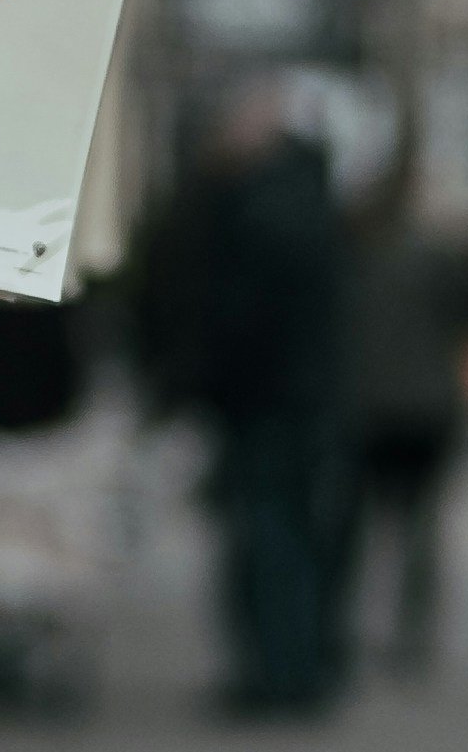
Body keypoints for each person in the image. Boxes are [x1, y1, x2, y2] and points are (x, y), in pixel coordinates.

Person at [142, 79, 358, 716]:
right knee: (281, 531)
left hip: (269, 398)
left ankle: (281, 671)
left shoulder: (266, 204)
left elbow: (240, 311)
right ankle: (288, 666)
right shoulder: (295, 195)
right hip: (284, 395)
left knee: (269, 534)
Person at [341, 198, 468, 684]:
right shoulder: (436, 260)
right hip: (428, 406)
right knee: (420, 527)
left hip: (370, 404)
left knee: (365, 525)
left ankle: (353, 627)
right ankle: (412, 634)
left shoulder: (354, 259)